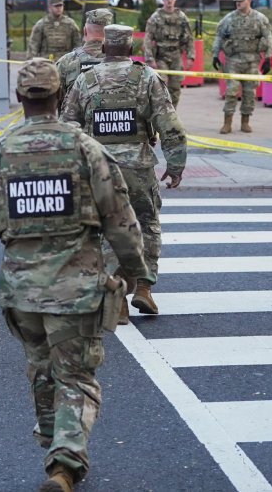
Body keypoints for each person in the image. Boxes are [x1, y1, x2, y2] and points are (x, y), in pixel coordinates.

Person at [0, 58, 146, 492]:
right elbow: (120, 219)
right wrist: (136, 272)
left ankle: (53, 443)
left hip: (22, 294)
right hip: (77, 291)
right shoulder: (85, 149)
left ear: (19, 98)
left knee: (42, 372)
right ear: (60, 96)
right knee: (76, 377)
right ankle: (65, 459)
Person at [61, 24, 186, 322]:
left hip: (100, 169)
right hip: (138, 170)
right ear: (131, 49)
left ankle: (116, 294)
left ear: (105, 48)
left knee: (105, 229)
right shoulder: (147, 77)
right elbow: (170, 125)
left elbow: (67, 125)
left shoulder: (85, 80)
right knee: (147, 224)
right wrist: (175, 164)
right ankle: (144, 286)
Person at [212, 0, 272, 134]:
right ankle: (227, 123)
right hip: (233, 60)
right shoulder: (229, 19)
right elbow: (219, 37)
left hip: (252, 61)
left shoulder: (260, 18)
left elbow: (268, 37)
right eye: (236, 1)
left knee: (249, 93)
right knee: (231, 91)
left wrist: (268, 57)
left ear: (249, 0)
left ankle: (245, 122)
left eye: (241, 0)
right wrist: (215, 55)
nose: (238, 3)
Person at [142, 0, 194, 107]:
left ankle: (172, 113)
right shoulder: (156, 17)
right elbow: (148, 38)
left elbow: (189, 38)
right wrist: (149, 58)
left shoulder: (181, 16)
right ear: (163, 0)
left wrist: (191, 56)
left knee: (175, 88)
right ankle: (161, 113)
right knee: (161, 86)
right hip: (161, 57)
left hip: (176, 56)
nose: (169, 1)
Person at [54, 8, 112, 106]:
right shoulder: (122, 62)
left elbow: (54, 100)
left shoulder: (65, 62)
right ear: (110, 33)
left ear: (85, 31)